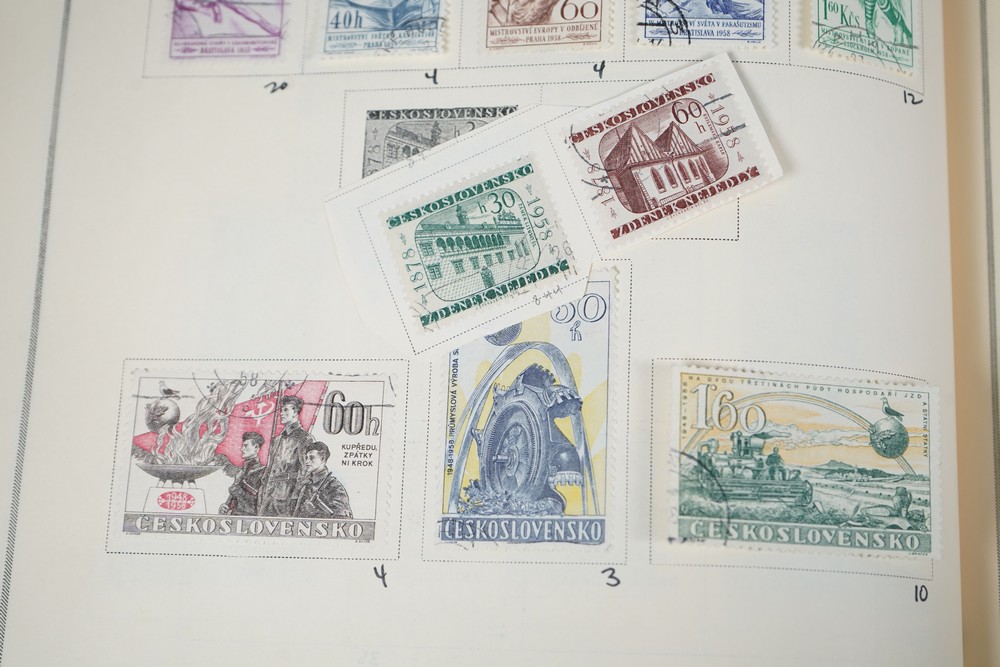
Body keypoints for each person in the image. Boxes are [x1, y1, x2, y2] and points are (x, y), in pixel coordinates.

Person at [258, 396, 315, 517]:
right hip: (269, 495)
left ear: (295, 412)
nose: (281, 414)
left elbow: (305, 472)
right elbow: (270, 469)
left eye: (286, 410)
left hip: (286, 497)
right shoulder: (277, 439)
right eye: (281, 410)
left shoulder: (304, 438)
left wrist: (295, 498)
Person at [294, 442, 353, 520]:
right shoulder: (306, 485)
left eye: (312, 458)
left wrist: (315, 512)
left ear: (322, 459)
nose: (307, 461)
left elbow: (344, 520)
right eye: (306, 458)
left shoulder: (334, 486)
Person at [218, 432, 266, 516]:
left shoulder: (262, 472)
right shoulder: (243, 470)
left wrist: (237, 488)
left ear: (256, 447)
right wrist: (226, 506)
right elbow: (234, 496)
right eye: (242, 446)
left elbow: (257, 502)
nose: (242, 449)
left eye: (246, 446)